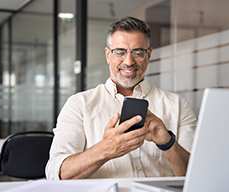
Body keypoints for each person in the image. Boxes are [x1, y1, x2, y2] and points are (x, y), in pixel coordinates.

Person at [46, 16, 197, 180]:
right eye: (120, 52)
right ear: (107, 55)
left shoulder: (178, 105)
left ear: (149, 54)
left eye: (138, 52)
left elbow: (199, 176)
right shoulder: (79, 104)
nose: (129, 61)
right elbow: (57, 174)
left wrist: (167, 143)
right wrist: (104, 149)